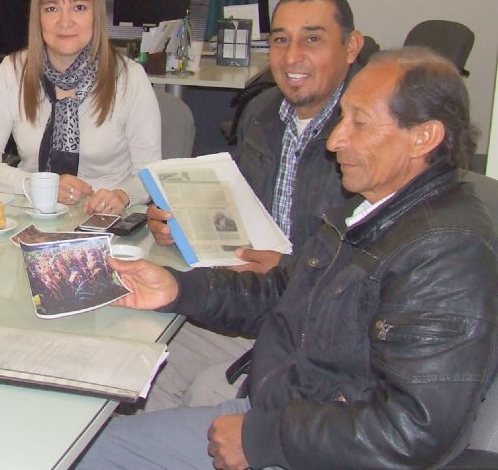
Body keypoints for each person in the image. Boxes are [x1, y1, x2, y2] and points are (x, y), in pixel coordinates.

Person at [79, 47, 498, 469]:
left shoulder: (448, 252)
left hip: (312, 446)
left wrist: (261, 438)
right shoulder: (374, 210)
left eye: (359, 122)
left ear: (423, 136)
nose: (334, 140)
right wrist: (178, 288)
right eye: (342, 118)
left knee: (83, 454)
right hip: (293, 411)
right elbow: (284, 292)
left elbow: (415, 430)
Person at [144, 0, 363, 410]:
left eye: (312, 39)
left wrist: (290, 269)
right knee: (144, 359)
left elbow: (373, 264)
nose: (292, 57)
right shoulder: (262, 114)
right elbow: (235, 201)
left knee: (208, 390)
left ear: (351, 47)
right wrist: (179, 218)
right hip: (246, 299)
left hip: (316, 324)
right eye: (281, 40)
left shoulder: (366, 134)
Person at [0, 0, 161, 216]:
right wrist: (37, 185)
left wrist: (122, 195)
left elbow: (151, 173)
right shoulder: (13, 71)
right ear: (38, 17)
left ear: (96, 15)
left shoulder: (129, 77)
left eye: (79, 7)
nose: (65, 21)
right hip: (34, 216)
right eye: (51, 9)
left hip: (107, 219)